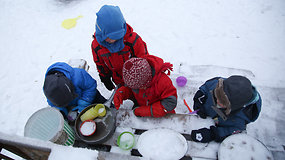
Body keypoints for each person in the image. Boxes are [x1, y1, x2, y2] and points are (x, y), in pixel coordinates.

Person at [91, 5, 149, 91]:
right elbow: (100, 63)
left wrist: (142, 77)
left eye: (118, 35)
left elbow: (143, 58)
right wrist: (104, 77)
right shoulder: (97, 46)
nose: (114, 39)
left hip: (136, 77)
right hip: (118, 78)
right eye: (110, 37)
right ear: (102, 32)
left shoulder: (132, 40)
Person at [191, 75, 262, 143]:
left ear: (234, 107)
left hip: (220, 121)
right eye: (217, 95)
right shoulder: (220, 86)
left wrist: (212, 134)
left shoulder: (239, 119)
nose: (217, 101)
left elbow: (233, 131)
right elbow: (207, 86)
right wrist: (199, 99)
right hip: (210, 110)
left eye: (223, 102)